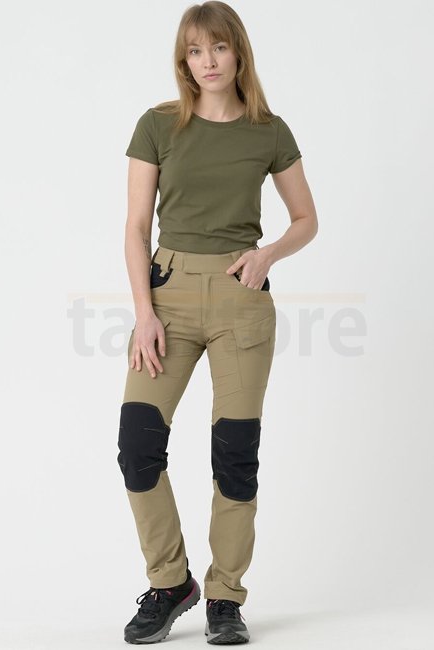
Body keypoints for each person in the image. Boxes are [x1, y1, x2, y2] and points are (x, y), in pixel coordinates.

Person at [117, 1, 318, 644]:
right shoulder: (158, 125)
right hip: (167, 296)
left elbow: (306, 219)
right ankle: (170, 582)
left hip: (240, 298)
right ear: (185, 60)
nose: (207, 61)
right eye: (195, 50)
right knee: (137, 445)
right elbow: (135, 227)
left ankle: (225, 597)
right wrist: (144, 313)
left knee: (235, 453)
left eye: (219, 47)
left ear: (238, 54)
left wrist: (268, 254)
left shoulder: (268, 131)